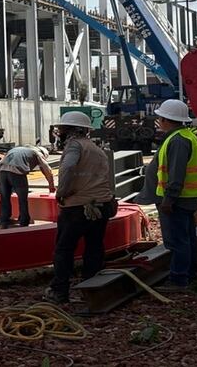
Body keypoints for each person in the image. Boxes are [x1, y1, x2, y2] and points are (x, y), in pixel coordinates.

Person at [45, 111, 115, 303]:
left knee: (64, 250)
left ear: (70, 130)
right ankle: (92, 291)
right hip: (101, 205)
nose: (58, 133)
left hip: (77, 207)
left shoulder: (74, 146)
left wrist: (62, 192)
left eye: (61, 129)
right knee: (94, 248)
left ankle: (60, 291)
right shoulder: (96, 149)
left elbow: (68, 168)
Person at [151, 99, 197, 292]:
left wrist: (168, 200)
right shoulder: (188, 136)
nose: (158, 121)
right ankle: (190, 274)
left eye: (160, 118)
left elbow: (176, 175)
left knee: (177, 240)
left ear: (166, 120)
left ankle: (179, 279)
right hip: (188, 198)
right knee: (188, 237)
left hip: (178, 199)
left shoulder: (177, 141)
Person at [0, 144, 55, 228]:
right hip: (17, 173)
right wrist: (51, 185)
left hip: (3, 172)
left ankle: (4, 222)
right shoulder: (37, 153)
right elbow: (46, 169)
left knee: (4, 199)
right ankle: (24, 222)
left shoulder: (16, 150)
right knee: (22, 199)